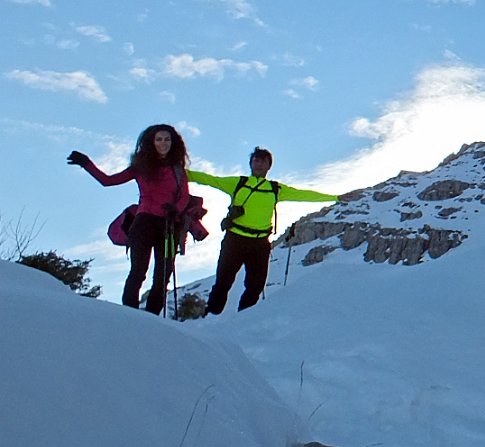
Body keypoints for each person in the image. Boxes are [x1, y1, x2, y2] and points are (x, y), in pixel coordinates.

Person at [68, 124, 202, 315]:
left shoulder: (178, 170)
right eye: (159, 139)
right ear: (151, 142)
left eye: (166, 139)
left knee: (163, 276)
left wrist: (176, 209)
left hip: (169, 225)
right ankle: (130, 316)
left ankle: (151, 317)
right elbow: (108, 181)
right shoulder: (141, 167)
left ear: (173, 143)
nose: (163, 143)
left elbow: (183, 197)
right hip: (144, 224)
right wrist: (87, 164)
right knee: (138, 271)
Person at [189, 147, 338, 314]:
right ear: (251, 164)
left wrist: (336, 198)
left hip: (260, 244)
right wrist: (180, 173)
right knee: (223, 282)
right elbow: (208, 179)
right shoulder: (238, 183)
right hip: (235, 240)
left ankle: (242, 321)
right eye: (256, 160)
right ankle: (211, 318)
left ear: (269, 166)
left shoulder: (275, 189)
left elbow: (304, 195)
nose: (259, 164)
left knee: (255, 286)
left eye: (263, 161)